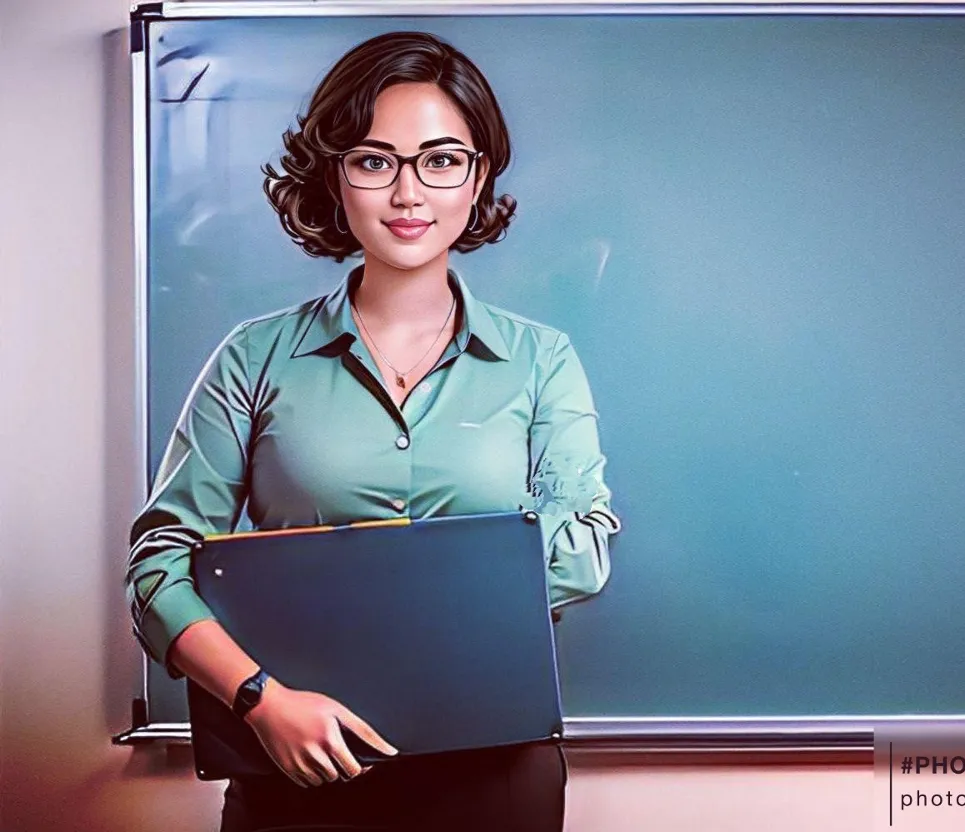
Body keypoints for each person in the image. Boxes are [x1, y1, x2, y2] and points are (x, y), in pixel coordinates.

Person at [125, 31, 621, 832]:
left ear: (477, 176)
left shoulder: (540, 361)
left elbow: (585, 544)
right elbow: (158, 567)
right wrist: (261, 700)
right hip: (295, 768)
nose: (408, 194)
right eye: (373, 160)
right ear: (336, 176)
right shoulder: (254, 358)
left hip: (495, 774)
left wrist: (384, 581)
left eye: (440, 160)